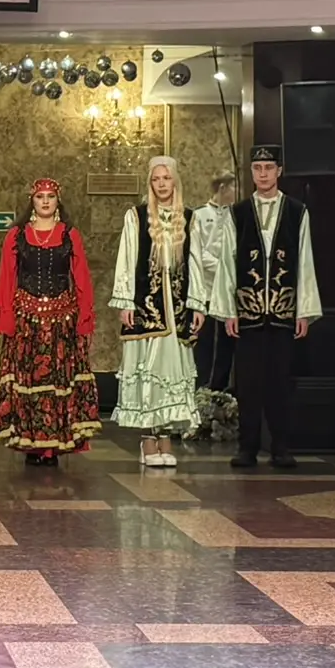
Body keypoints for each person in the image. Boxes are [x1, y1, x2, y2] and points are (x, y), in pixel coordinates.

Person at [207, 146, 321, 468]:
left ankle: (280, 446)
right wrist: (228, 310)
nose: (263, 174)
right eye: (257, 168)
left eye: (269, 167)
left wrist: (304, 310)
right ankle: (248, 447)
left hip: (283, 311)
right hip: (248, 312)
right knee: (248, 383)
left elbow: (305, 261)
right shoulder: (238, 213)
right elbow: (227, 263)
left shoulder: (297, 211)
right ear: (252, 172)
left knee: (279, 382)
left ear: (279, 171)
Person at [0, 178, 100, 466]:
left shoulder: (70, 235)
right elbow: (7, 277)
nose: (46, 201)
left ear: (58, 200)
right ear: (33, 200)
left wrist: (84, 317)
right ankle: (31, 444)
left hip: (61, 321)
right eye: (40, 196)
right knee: (28, 381)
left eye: (50, 196)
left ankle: (53, 447)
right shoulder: (16, 235)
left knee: (57, 381)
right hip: (27, 321)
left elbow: (82, 277)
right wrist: (7, 316)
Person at [111, 157, 204, 466]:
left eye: (166, 178)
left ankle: (166, 436)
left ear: (175, 181)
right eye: (156, 179)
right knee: (147, 370)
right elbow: (126, 259)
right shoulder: (136, 217)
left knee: (170, 372)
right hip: (146, 307)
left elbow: (195, 263)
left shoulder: (189, 218)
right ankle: (148, 439)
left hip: (176, 311)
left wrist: (197, 304)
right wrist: (125, 301)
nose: (162, 184)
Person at [192, 173, 239, 391]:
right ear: (222, 187)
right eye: (233, 187)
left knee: (226, 346)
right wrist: (222, 266)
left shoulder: (236, 216)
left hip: (229, 294)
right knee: (205, 344)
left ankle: (221, 392)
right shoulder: (199, 215)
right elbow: (198, 252)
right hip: (207, 292)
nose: (236, 193)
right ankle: (202, 391)